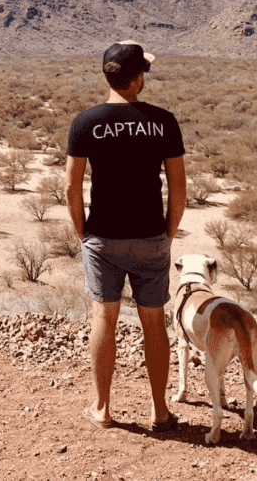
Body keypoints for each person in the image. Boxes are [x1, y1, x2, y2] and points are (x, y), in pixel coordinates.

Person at [64, 40, 186, 433]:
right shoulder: (163, 121)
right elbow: (179, 188)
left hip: (103, 237)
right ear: (136, 79)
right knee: (154, 323)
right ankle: (160, 411)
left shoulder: (85, 122)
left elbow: (71, 187)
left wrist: (83, 232)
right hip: (151, 237)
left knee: (104, 317)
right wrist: (168, 233)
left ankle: (102, 409)